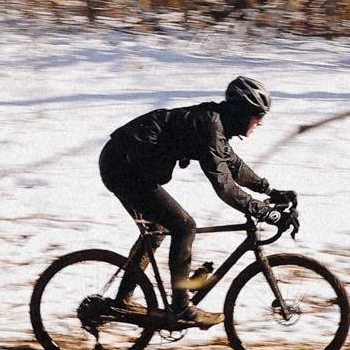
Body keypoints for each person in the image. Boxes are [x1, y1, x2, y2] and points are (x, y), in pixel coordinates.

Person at [99, 75, 295, 326]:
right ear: (242, 111)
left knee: (158, 230)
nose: (260, 122)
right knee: (184, 226)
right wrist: (267, 213)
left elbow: (232, 165)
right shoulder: (210, 125)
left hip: (129, 162)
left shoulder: (217, 124)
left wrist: (270, 191)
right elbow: (224, 187)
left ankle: (121, 302)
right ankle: (180, 306)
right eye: (258, 115)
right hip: (122, 164)